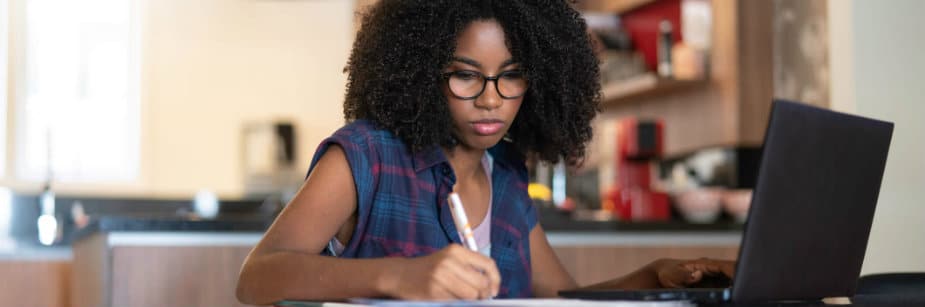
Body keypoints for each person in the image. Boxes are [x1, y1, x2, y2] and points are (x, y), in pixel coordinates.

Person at [236, 0, 734, 304]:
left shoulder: (508, 180)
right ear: (422, 71)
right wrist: (399, 277)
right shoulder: (367, 156)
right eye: (467, 74)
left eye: (511, 74)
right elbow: (257, 279)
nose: (492, 97)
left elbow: (560, 302)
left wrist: (659, 277)